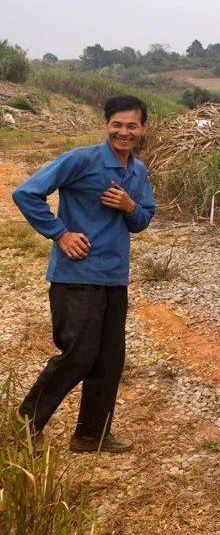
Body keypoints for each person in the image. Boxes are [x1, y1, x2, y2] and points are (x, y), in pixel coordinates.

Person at [14, 96, 156, 453]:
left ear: (143, 129)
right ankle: (24, 426)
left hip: (114, 277)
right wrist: (59, 233)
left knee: (109, 359)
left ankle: (92, 435)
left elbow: (141, 221)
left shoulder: (137, 172)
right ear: (107, 125)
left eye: (132, 126)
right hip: (76, 277)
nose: (124, 132)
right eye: (117, 125)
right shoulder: (82, 159)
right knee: (78, 354)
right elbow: (26, 193)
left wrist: (130, 206)